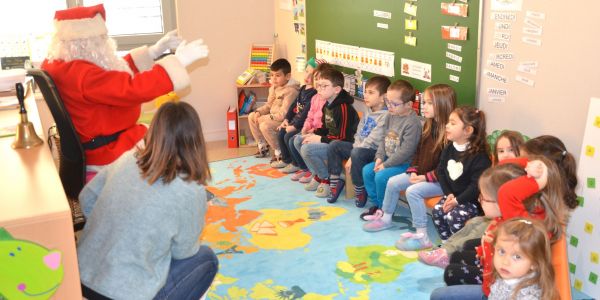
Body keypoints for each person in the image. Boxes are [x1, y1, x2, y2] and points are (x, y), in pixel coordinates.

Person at [42, 4, 208, 173]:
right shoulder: (83, 75)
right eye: (101, 39)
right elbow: (132, 89)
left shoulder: (60, 65)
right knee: (173, 145)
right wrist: (178, 62)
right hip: (109, 150)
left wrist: (152, 52)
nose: (105, 43)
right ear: (85, 43)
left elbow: (111, 76)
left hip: (101, 142)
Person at [77, 102, 218, 300]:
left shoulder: (128, 158)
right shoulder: (191, 190)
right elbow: (184, 252)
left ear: (154, 132)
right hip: (123, 294)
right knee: (206, 259)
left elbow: (87, 199)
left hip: (81, 279)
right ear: (196, 140)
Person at [431, 156, 568, 299]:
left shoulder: (519, 224)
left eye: (483, 197)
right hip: (495, 285)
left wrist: (538, 179)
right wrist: (532, 165)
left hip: (492, 285)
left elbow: (507, 193)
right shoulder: (516, 220)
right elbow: (505, 166)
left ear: (500, 202)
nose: (479, 200)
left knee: (441, 290)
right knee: (459, 256)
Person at [363, 84, 456, 250]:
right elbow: (417, 153)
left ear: (442, 106)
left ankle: (422, 236)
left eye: (428, 103)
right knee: (392, 182)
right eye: (424, 102)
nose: (423, 106)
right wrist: (414, 170)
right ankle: (386, 218)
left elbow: (445, 168)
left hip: (440, 180)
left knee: (413, 191)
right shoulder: (428, 125)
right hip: (423, 175)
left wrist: (425, 177)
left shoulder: (449, 135)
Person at [419, 130, 525, 265]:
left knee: (476, 227)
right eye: (501, 151)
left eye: (511, 150)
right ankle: (444, 250)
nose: (505, 155)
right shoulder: (498, 171)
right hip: (492, 215)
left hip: (506, 222)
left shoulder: (520, 176)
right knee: (474, 223)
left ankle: (447, 253)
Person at [359, 80, 422, 219]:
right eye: (388, 102)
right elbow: (383, 139)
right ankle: (376, 205)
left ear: (409, 105)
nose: (389, 106)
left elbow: (406, 151)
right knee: (367, 171)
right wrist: (379, 158)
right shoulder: (390, 116)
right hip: (388, 158)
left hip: (405, 164)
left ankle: (384, 209)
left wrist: (385, 165)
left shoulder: (413, 123)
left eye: (394, 104)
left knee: (381, 177)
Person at [430, 106, 491, 241]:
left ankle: (458, 246)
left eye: (452, 123)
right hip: (452, 196)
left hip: (470, 201)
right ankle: (447, 244)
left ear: (468, 130)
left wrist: (457, 201)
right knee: (438, 211)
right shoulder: (449, 147)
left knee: (455, 216)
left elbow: (476, 186)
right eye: (448, 122)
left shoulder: (480, 156)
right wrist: (449, 194)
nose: (446, 126)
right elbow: (441, 171)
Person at [326, 75, 391, 203]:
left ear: (383, 97)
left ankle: (360, 188)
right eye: (365, 91)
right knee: (334, 145)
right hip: (360, 148)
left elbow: (372, 139)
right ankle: (335, 182)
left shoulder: (387, 116)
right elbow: (359, 133)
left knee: (356, 153)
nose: (366, 96)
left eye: (371, 93)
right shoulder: (368, 110)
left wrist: (352, 155)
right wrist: (354, 149)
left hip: (375, 152)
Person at [300, 68, 359, 197]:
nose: (319, 89)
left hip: (343, 146)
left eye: (324, 86)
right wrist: (314, 132)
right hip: (331, 141)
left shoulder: (343, 108)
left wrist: (320, 139)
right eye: (319, 85)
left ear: (336, 89)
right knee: (300, 140)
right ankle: (318, 176)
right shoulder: (328, 104)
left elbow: (342, 138)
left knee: (307, 149)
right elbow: (327, 128)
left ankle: (325, 179)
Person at [489, 218, 557, 300]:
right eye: (502, 251)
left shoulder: (528, 297)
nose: (505, 262)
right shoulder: (510, 273)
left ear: (534, 263)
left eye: (517, 257)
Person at [288, 62, 334, 182]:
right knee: (295, 139)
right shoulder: (315, 98)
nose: (318, 84)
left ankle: (319, 175)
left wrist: (313, 132)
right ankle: (311, 171)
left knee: (298, 141)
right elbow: (309, 116)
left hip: (321, 135)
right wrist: (305, 128)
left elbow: (325, 125)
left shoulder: (329, 103)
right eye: (316, 80)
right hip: (313, 131)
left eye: (321, 82)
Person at [248, 58, 300, 163]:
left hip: (284, 121)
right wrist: (259, 112)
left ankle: (279, 151)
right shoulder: (273, 88)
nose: (274, 78)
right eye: (272, 75)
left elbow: (284, 114)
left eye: (277, 75)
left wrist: (266, 117)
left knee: (264, 125)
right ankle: (263, 146)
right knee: (252, 116)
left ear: (288, 76)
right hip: (273, 117)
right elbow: (269, 105)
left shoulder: (291, 91)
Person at [274, 57, 318, 170]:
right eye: (307, 71)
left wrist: (294, 126)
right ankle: (286, 159)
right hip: (294, 122)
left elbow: (305, 113)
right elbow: (293, 106)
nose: (308, 76)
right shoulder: (303, 88)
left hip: (302, 125)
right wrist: (286, 120)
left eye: (313, 74)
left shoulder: (314, 93)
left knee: (289, 136)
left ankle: (297, 164)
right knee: (281, 133)